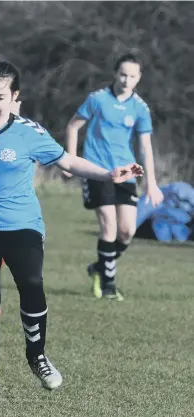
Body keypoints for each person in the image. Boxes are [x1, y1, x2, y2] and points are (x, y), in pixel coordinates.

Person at [0, 62, 143, 404]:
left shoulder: (29, 132)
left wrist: (108, 174)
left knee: (31, 284)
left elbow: (68, 162)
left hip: (23, 223)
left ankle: (36, 355)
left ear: (14, 98)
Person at [63, 53, 163, 301]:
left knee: (127, 231)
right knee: (108, 225)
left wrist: (151, 182)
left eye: (132, 76)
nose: (126, 80)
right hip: (97, 171)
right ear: (115, 74)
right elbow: (73, 126)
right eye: (122, 74)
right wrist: (71, 160)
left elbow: (145, 146)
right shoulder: (97, 99)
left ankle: (98, 267)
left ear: (138, 78)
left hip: (126, 174)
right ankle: (108, 285)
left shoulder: (140, 108)